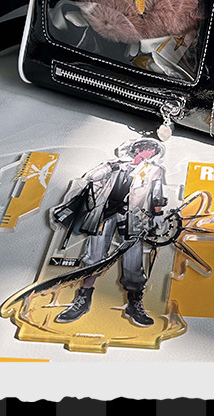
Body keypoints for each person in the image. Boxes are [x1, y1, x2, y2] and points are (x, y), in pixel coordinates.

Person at [51, 138, 167, 328]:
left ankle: (134, 303)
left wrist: (158, 213)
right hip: (105, 213)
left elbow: (156, 192)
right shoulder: (115, 165)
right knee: (93, 256)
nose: (149, 151)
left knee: (133, 259)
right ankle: (83, 299)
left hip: (133, 216)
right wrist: (111, 167)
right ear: (136, 148)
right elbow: (92, 177)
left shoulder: (154, 170)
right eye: (146, 148)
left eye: (152, 149)